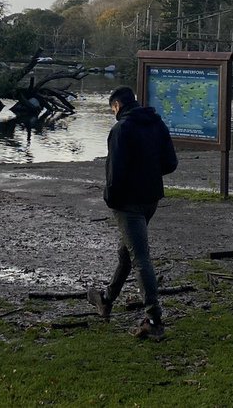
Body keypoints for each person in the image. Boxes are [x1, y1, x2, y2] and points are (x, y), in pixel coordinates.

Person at [87, 86, 178, 340]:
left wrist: (111, 200)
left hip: (129, 204)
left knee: (140, 258)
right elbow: (170, 163)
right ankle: (106, 299)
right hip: (150, 200)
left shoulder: (121, 129)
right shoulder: (156, 124)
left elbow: (114, 173)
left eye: (112, 109)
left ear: (116, 105)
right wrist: (148, 173)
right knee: (126, 253)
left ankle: (154, 319)